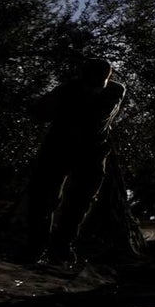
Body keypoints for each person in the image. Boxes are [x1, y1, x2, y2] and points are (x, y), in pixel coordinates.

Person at [26, 57, 126, 266]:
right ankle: (36, 245)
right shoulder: (68, 89)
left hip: (92, 153)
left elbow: (99, 117)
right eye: (91, 82)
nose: (95, 88)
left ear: (108, 78)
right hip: (58, 148)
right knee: (45, 197)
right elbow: (39, 111)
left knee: (80, 201)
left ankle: (61, 246)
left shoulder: (115, 91)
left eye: (100, 82)